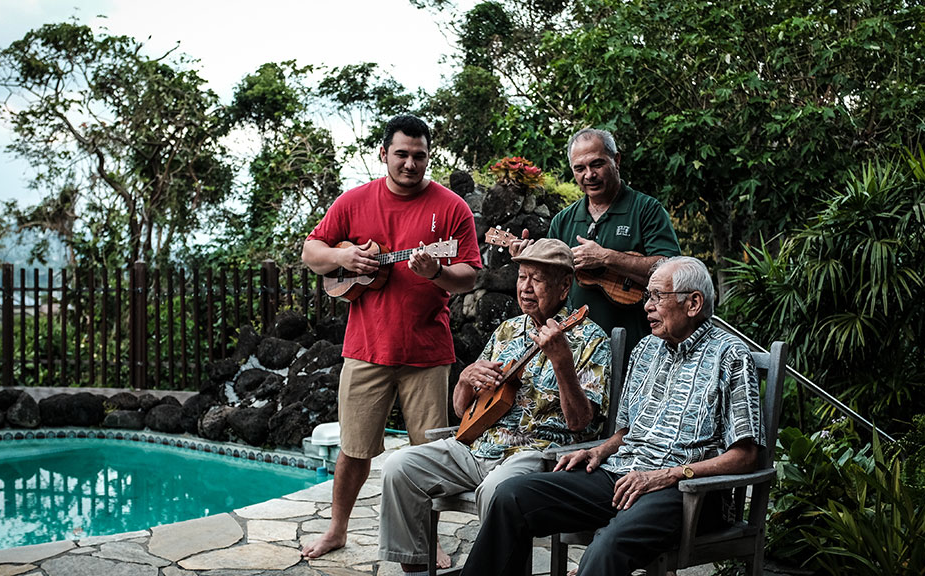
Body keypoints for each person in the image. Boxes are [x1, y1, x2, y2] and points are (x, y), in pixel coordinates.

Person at [460, 256, 763, 576]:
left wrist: (670, 474)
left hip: (686, 493)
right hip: (622, 475)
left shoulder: (730, 355)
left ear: (693, 303)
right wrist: (598, 450)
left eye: (658, 296)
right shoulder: (647, 349)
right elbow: (625, 433)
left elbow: (746, 456)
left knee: (605, 546)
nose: (647, 305)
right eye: (648, 296)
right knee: (512, 497)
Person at [301, 114, 482, 559]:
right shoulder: (354, 201)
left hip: (427, 350)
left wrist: (437, 271)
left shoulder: (452, 208)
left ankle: (428, 540)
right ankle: (337, 529)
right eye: (401, 154)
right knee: (354, 447)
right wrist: (346, 259)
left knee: (430, 454)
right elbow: (312, 251)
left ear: (428, 157)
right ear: (383, 154)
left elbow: (471, 275)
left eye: (419, 156)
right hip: (365, 348)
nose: (410, 163)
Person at [378, 239, 611, 576]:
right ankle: (415, 567)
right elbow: (462, 413)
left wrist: (562, 362)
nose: (526, 288)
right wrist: (465, 380)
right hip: (479, 449)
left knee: (498, 490)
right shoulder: (507, 330)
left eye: (538, 279)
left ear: (564, 287)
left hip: (539, 455)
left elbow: (581, 423)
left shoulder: (589, 337)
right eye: (522, 277)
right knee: (399, 466)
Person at [510, 128, 681, 350]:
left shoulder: (646, 210)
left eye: (597, 164)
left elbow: (673, 273)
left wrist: (606, 258)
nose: (589, 175)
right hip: (577, 353)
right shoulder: (563, 220)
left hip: (638, 346)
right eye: (579, 168)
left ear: (616, 160)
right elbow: (548, 290)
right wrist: (529, 262)